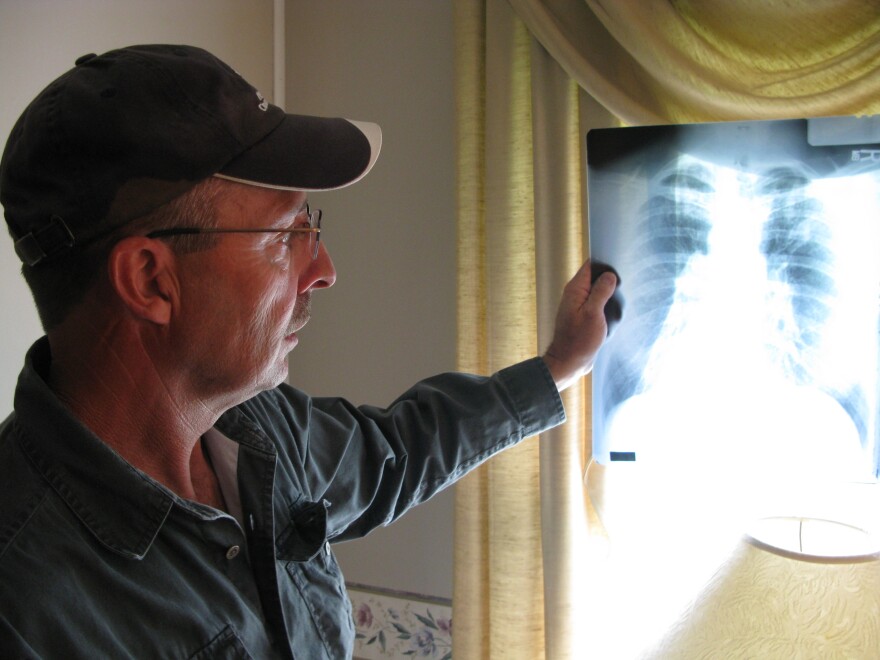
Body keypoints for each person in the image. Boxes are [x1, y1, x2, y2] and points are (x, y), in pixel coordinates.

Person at [0, 45, 617, 658]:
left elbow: (396, 450)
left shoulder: (254, 432)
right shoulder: (26, 609)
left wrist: (556, 368)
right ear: (151, 281)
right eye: (288, 233)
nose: (323, 269)